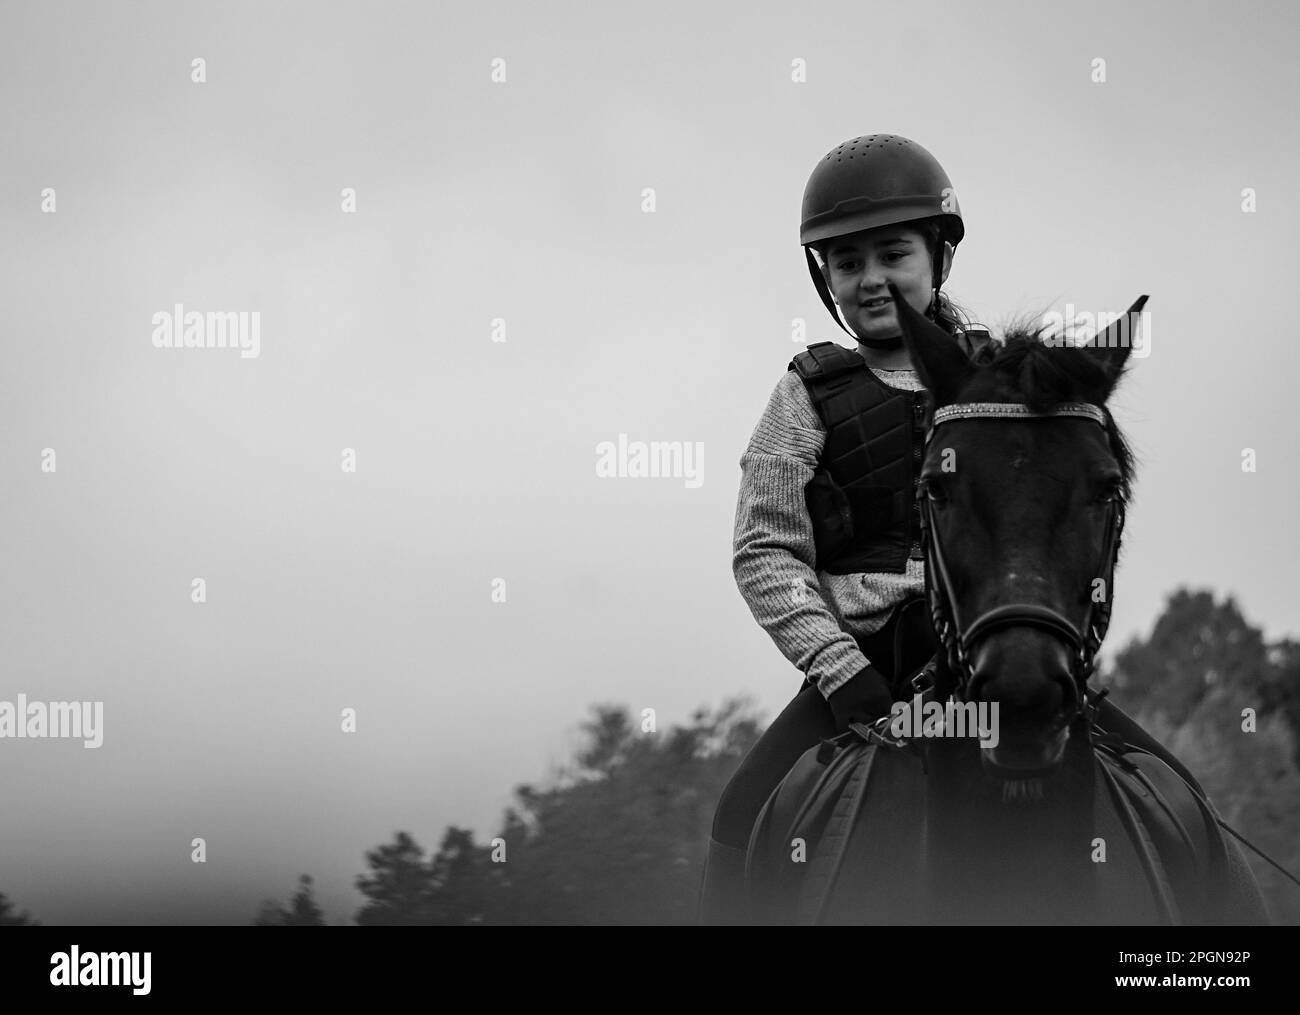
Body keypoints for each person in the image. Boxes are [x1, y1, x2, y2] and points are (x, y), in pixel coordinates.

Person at [698, 133, 1189, 925]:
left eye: (892, 254)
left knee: (1175, 793)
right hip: (862, 677)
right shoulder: (806, 395)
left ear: (939, 258)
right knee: (739, 814)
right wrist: (837, 667)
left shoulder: (1003, 381)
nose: (870, 279)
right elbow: (765, 548)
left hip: (1001, 654)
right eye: (846, 263)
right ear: (825, 278)